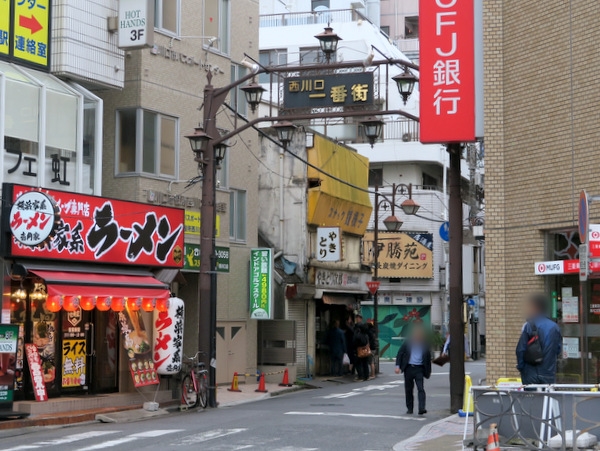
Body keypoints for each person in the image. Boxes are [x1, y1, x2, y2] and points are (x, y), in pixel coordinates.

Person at [516, 293, 562, 385]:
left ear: (536, 308)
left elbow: (520, 349)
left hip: (531, 372)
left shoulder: (529, 325)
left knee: (532, 398)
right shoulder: (555, 327)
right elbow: (558, 349)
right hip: (548, 372)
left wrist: (521, 367)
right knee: (547, 398)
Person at [395, 325, 432, 415]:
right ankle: (410, 408)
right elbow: (400, 353)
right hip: (408, 368)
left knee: (420, 388)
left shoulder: (425, 344)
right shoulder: (408, 343)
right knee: (408, 389)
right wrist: (397, 366)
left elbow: (427, 358)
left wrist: (428, 371)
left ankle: (421, 408)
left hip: (419, 368)